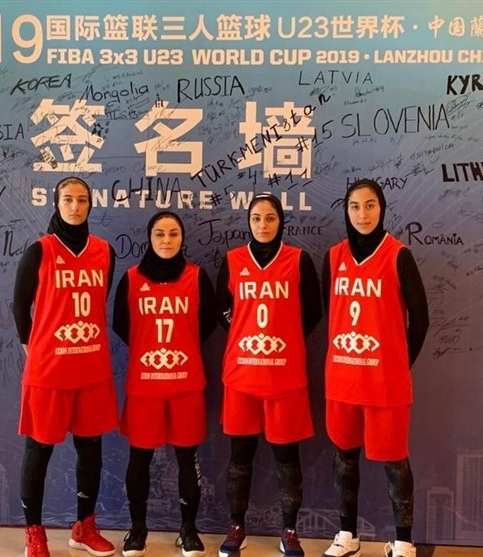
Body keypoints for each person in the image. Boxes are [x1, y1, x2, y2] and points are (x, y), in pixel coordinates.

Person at [321, 179, 429, 557]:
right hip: (343, 378)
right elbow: (330, 312)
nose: (362, 214)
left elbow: (421, 319)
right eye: (355, 206)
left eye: (370, 205)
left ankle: (403, 542)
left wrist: (398, 364)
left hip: (384, 382)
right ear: (346, 210)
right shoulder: (333, 257)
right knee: (344, 459)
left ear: (381, 209)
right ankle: (347, 535)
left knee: (395, 461)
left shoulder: (398, 255)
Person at [13, 176, 118, 557]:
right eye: (68, 199)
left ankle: (84, 527)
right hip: (50, 370)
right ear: (57, 204)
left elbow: (101, 300)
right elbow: (19, 307)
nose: (75, 206)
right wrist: (35, 348)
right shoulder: (40, 251)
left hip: (91, 367)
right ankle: (34, 533)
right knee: (39, 450)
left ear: (91, 204)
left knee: (91, 450)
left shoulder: (104, 251)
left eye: (82, 200)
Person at [215, 193, 323, 557]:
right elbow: (222, 308)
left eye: (270, 218)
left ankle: (289, 530)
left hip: (284, 376)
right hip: (242, 374)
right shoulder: (233, 260)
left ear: (281, 221)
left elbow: (313, 311)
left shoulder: (298, 260)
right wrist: (244, 333)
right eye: (257, 218)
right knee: (239, 457)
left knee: (287, 458)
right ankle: (236, 526)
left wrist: (285, 336)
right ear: (248, 221)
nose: (263, 225)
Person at [112, 211, 217, 557]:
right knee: (139, 458)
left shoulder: (197, 277)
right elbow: (121, 324)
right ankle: (137, 529)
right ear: (150, 238)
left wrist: (178, 352)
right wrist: (151, 353)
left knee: (187, 457)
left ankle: (188, 529)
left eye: (173, 234)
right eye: (160, 234)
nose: (167, 240)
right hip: (145, 386)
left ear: (182, 238)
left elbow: (207, 324)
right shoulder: (131, 279)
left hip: (186, 385)